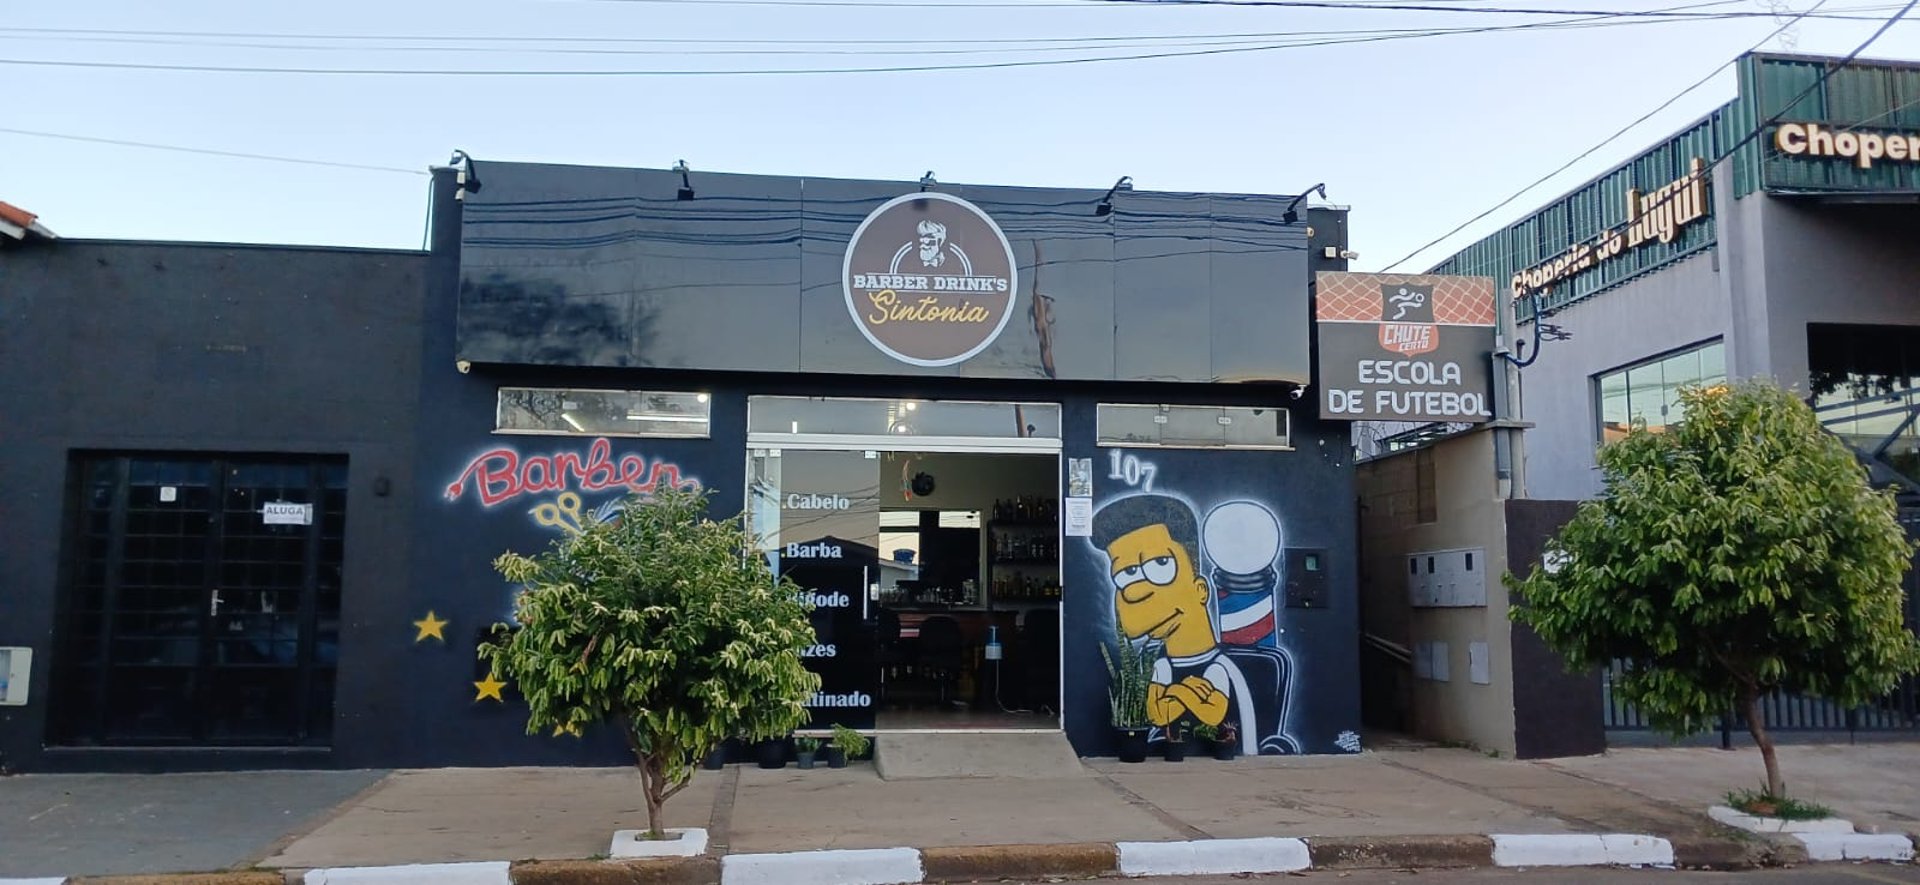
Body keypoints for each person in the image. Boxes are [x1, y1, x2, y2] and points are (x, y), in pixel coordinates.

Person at [1092, 493, 1259, 753]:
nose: (1136, 591)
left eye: (1160, 564)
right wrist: (1187, 691)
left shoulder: (1222, 669)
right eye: (1126, 575)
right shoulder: (1158, 665)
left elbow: (1213, 715)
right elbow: (1157, 714)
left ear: (1201, 589)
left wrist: (1175, 694)